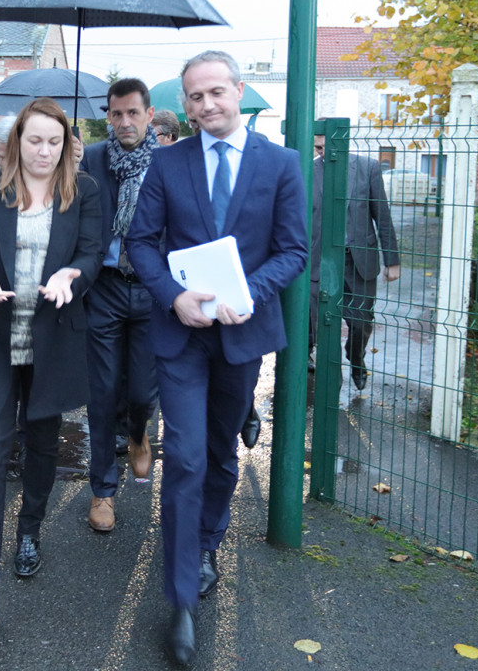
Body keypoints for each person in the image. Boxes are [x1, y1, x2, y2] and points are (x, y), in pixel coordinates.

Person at [126, 51, 308, 665]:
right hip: (180, 337)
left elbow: (292, 251)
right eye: (195, 97)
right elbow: (141, 243)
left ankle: (206, 543)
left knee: (221, 453)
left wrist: (243, 296)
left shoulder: (280, 164)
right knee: (183, 456)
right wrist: (175, 297)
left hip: (240, 335)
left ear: (238, 91)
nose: (206, 106)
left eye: (216, 93)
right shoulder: (167, 162)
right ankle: (180, 600)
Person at [0, 97, 101, 643]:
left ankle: (30, 532)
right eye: (34, 140)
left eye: (54, 142)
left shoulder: (83, 190)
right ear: (18, 141)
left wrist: (71, 276)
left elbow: (92, 252)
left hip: (52, 338)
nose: (44, 150)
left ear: (66, 145)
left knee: (41, 443)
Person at [79, 77, 160, 533]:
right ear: (107, 117)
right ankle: (102, 491)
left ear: (149, 115)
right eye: (116, 114)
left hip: (151, 289)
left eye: (133, 113)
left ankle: (138, 433)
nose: (125, 122)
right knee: (102, 392)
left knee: (142, 393)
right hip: (104, 287)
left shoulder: (168, 164)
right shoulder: (89, 159)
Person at [310, 130, 400, 391]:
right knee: (323, 324)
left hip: (359, 260)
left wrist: (391, 260)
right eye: (317, 148)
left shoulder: (367, 168)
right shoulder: (308, 172)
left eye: (326, 146)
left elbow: (381, 216)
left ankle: (356, 357)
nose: (322, 152)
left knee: (361, 322)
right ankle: (331, 385)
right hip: (321, 261)